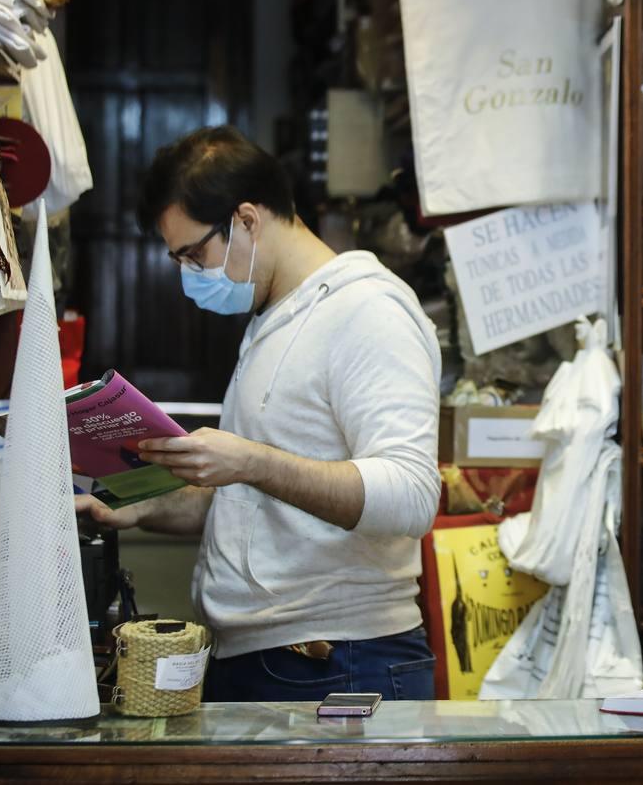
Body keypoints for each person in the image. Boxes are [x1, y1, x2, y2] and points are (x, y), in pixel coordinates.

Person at [76, 126, 441, 701]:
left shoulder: (367, 310)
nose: (188, 274)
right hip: (267, 657)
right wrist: (141, 507)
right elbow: (258, 504)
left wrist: (250, 461)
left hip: (339, 662)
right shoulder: (273, 319)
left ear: (247, 220)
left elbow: (413, 495)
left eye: (195, 254)